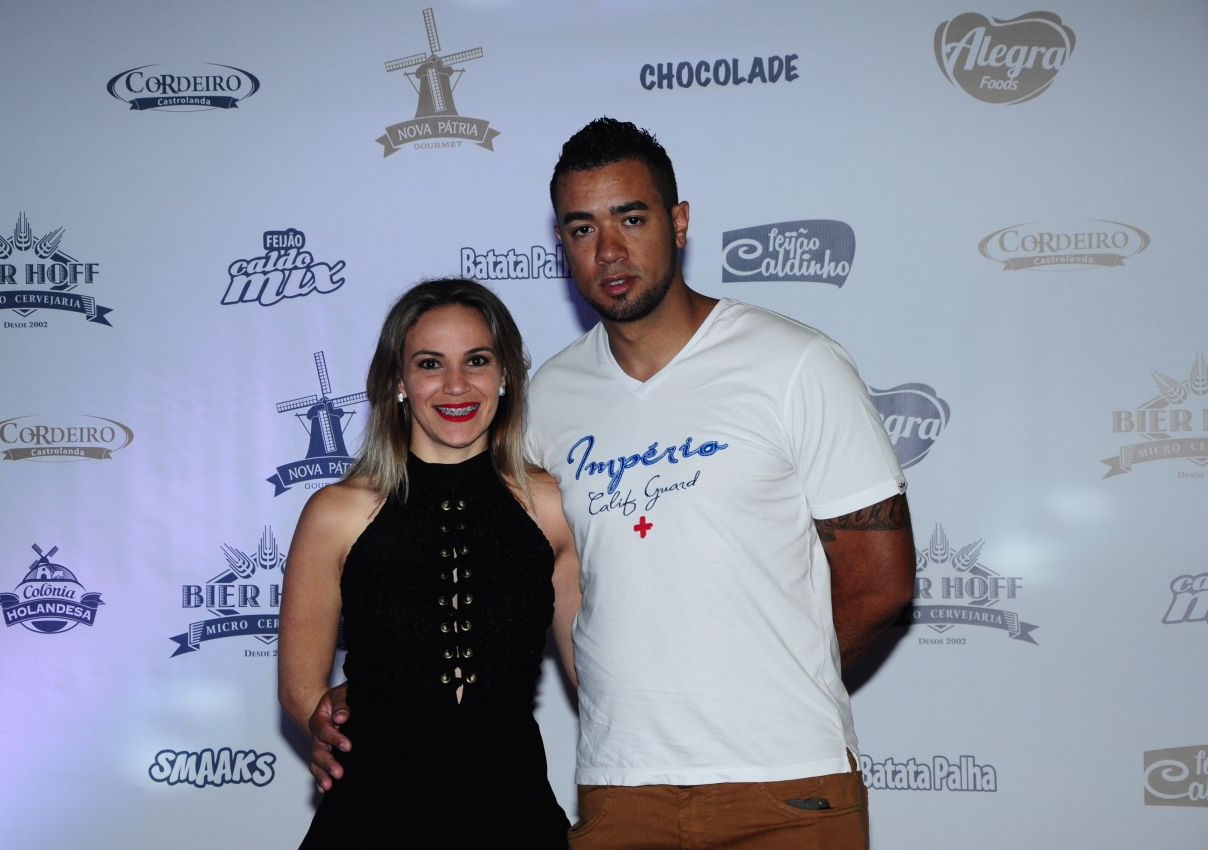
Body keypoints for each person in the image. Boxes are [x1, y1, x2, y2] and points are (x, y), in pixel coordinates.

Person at [310, 119, 916, 849]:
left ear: (679, 222)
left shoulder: (795, 365)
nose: (609, 250)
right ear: (561, 244)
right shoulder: (544, 400)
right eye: (582, 228)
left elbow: (881, 582)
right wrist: (378, 692)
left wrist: (770, 687)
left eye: (631, 218)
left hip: (784, 785)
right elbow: (472, 566)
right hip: (619, 791)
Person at [279, 279, 580, 848]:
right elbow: (300, 689)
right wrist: (329, 721)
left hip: (515, 819)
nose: (456, 384)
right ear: (398, 380)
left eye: (477, 360)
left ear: (505, 374)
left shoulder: (552, 507)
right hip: (371, 822)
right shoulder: (336, 513)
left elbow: (594, 675)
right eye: (429, 363)